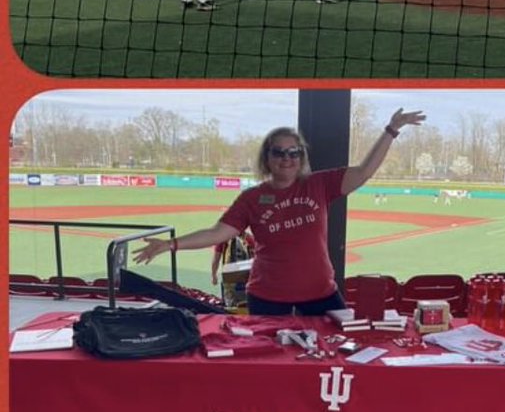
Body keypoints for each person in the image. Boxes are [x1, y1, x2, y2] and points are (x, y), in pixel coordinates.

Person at [133, 110, 426, 314]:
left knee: (334, 359)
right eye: (279, 152)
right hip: (268, 298)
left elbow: (364, 171)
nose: (287, 158)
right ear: (267, 158)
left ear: (301, 157)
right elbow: (217, 233)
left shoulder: (319, 184)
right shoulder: (252, 198)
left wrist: (391, 130)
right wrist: (170, 244)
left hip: (322, 296)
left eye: (293, 152)